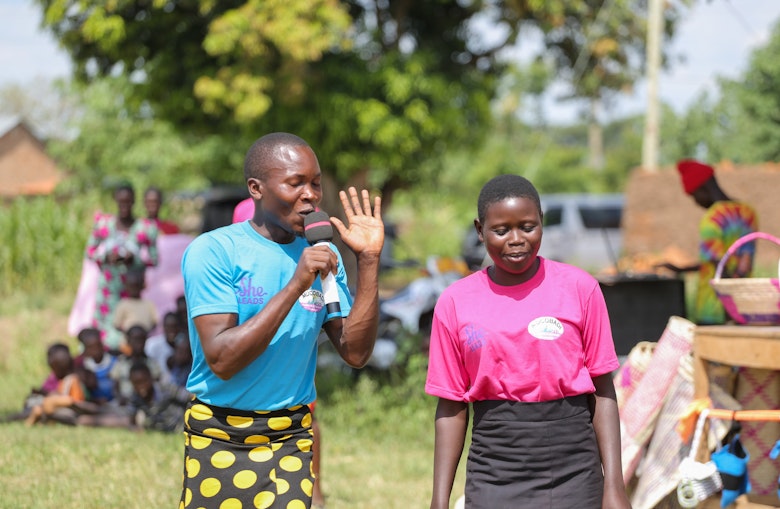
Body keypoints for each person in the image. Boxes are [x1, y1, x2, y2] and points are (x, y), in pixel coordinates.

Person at [179, 132, 384, 509]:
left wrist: (369, 261)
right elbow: (223, 360)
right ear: (256, 188)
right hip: (221, 434)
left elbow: (355, 352)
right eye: (296, 183)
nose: (311, 194)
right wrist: (296, 284)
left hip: (290, 436)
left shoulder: (322, 257)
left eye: (316, 182)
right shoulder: (214, 252)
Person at [425, 174, 630, 509]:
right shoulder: (456, 302)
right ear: (480, 230)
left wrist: (615, 487)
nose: (516, 239)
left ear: (542, 224)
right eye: (501, 230)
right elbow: (451, 405)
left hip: (575, 469)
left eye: (528, 226)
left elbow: (602, 390)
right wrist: (439, 500)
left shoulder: (580, 289)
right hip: (495, 468)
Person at [658, 160, 758, 325]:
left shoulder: (712, 219)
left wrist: (728, 308)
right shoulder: (748, 212)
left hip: (713, 308)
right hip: (745, 306)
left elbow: (720, 266)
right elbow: (741, 262)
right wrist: (682, 269)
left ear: (702, 189)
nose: (696, 202)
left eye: (694, 197)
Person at [85, 183, 159, 350]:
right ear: (115, 201)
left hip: (133, 292)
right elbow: (90, 252)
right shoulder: (104, 225)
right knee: (105, 334)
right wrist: (106, 257)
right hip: (108, 292)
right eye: (121, 202)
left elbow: (154, 259)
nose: (124, 206)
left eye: (128, 202)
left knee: (133, 334)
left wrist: (135, 260)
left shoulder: (145, 228)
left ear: (134, 202)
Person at [25, 343, 92, 426]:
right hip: (61, 409)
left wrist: (54, 400)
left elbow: (74, 401)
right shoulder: (61, 380)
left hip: (71, 411)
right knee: (36, 404)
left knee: (42, 406)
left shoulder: (73, 380)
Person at [112, 267, 158, 353]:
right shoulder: (123, 304)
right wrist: (130, 334)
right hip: (128, 343)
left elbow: (155, 322)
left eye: (136, 286)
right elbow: (116, 325)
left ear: (142, 286)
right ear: (126, 286)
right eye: (131, 286)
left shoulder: (148, 304)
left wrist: (144, 333)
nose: (134, 289)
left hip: (145, 342)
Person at [145, 311, 183, 384]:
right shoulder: (152, 345)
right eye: (168, 326)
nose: (172, 330)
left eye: (174, 326)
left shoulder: (184, 345)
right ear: (163, 327)